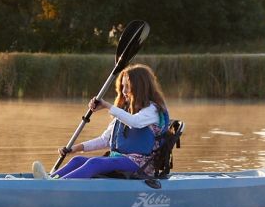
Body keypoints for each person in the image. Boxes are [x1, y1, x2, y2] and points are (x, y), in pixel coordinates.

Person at [33, 64, 170, 180]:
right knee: (77, 160)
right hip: (120, 159)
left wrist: (107, 106)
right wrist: (74, 149)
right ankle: (50, 180)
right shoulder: (125, 111)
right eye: (122, 87)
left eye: (127, 87)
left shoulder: (152, 110)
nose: (123, 92)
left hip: (141, 165)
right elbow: (105, 139)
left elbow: (135, 123)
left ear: (140, 87)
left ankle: (54, 186)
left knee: (95, 163)